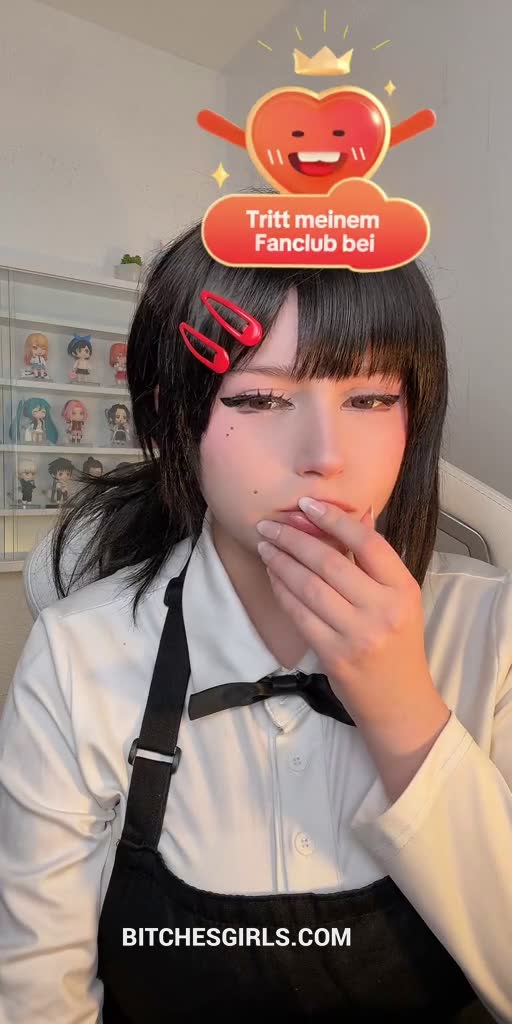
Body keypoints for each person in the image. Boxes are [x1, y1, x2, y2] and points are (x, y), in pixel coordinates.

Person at [0, 217, 511, 1024]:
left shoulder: (493, 633)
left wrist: (404, 710)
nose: (325, 455)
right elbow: (35, 995)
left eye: (371, 398)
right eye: (260, 398)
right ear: (174, 420)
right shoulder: (78, 656)